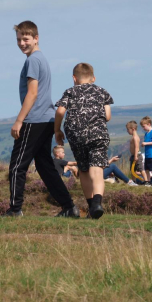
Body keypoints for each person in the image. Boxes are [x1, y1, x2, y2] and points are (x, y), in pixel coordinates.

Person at [3, 21, 79, 218]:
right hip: (46, 119)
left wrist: (19, 120)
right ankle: (69, 207)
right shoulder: (40, 59)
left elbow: (32, 93)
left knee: (17, 166)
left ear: (36, 38)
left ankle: (15, 209)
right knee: (45, 167)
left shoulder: (33, 61)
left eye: (25, 39)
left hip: (34, 120)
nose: (21, 43)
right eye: (18, 39)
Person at [54, 63, 113, 219]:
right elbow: (107, 116)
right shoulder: (102, 92)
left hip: (77, 134)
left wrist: (57, 130)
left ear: (74, 78)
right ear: (93, 78)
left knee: (84, 170)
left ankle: (91, 206)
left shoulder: (70, 91)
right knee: (97, 170)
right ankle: (97, 204)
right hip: (98, 134)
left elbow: (60, 111)